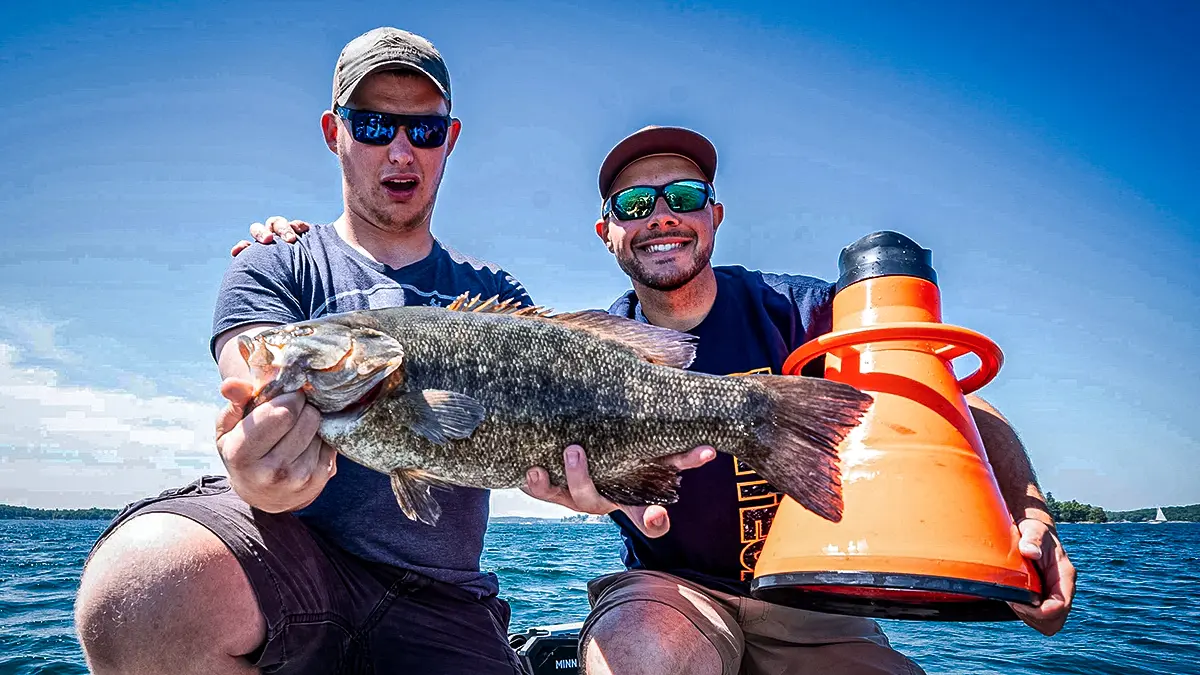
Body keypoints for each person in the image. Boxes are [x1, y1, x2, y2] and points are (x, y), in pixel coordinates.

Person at [230, 124, 1077, 675]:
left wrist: (1029, 515)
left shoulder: (802, 311)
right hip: (673, 593)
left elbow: (945, 402)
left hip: (819, 607)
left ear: (715, 215)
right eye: (635, 204)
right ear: (609, 231)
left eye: (683, 197)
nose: (661, 216)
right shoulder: (602, 340)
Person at [71, 27, 711, 674]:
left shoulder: (497, 295)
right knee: (143, 583)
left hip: (445, 597)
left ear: (449, 139)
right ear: (335, 132)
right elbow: (252, 366)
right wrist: (260, 458)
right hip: (293, 565)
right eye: (375, 126)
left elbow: (536, 436)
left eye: (423, 130)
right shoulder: (275, 264)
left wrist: (601, 484)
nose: (401, 151)